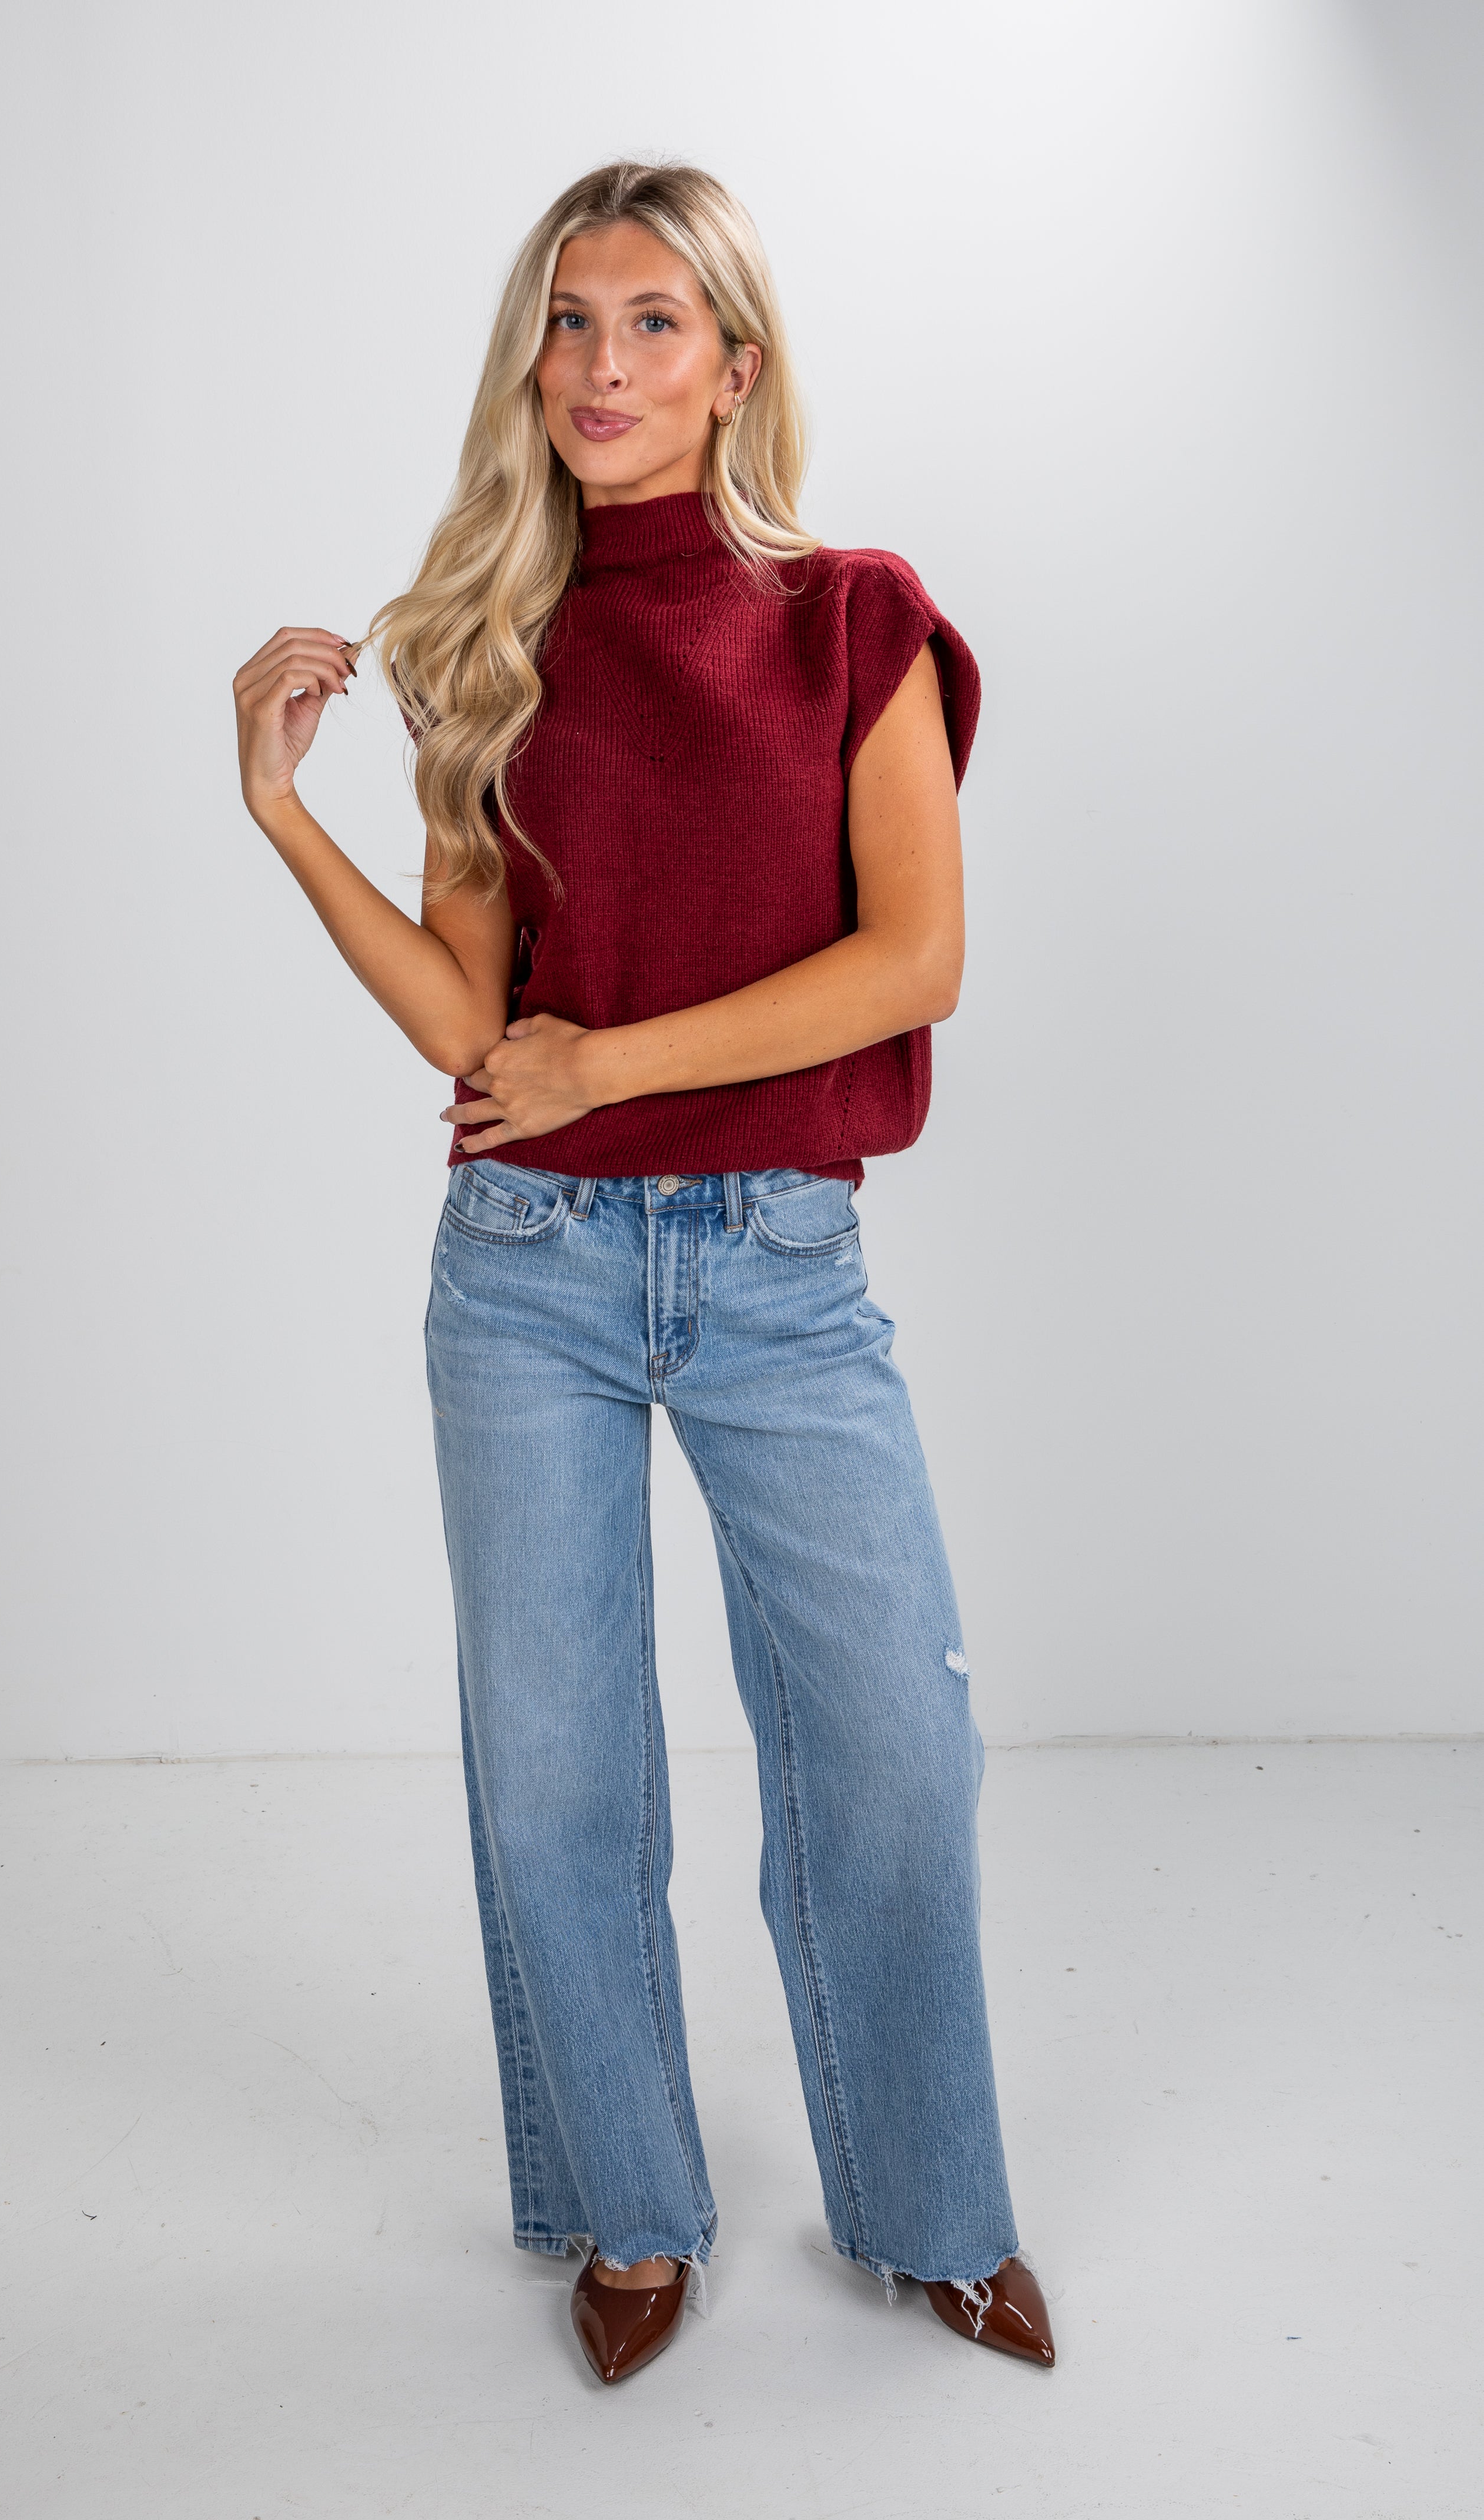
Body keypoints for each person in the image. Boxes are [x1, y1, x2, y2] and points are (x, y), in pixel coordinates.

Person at [230, 159, 1054, 2387]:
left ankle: (930, 2209)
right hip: (528, 1271)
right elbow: (468, 1030)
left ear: (736, 365)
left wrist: (622, 1060)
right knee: (559, 1772)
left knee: (894, 1752)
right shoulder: (479, 649)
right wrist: (287, 812)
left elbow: (916, 961)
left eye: (652, 323)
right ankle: (623, 2203)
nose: (600, 366)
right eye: (568, 323)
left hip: (782, 1261)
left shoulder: (855, 618)